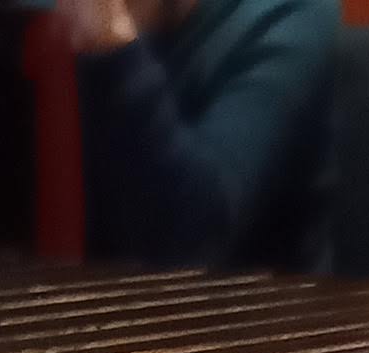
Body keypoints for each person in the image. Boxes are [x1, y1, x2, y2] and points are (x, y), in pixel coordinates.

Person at [54, 0, 342, 274]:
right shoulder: (51, 18)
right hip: (80, 293)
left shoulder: (289, 15)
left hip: (249, 303)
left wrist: (111, 43)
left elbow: (192, 238)